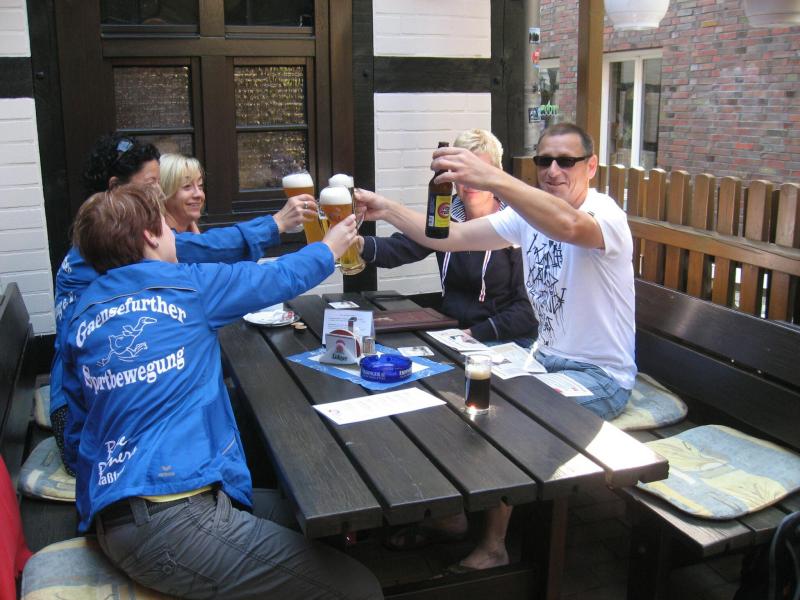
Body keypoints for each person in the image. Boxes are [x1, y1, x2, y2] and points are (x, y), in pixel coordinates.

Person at [62, 183, 381, 599]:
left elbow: (78, 427)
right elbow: (276, 277)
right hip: (171, 522)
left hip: (115, 513)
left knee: (320, 514)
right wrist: (330, 247)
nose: (175, 234)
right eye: (167, 226)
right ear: (150, 236)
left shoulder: (82, 313)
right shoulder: (186, 287)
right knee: (360, 589)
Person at [356, 122, 635, 572]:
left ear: (591, 166)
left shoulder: (605, 215)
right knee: (456, 397)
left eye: (566, 161)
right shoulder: (525, 220)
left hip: (599, 377)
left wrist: (493, 177)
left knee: (509, 417)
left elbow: (569, 225)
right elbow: (447, 236)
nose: (554, 170)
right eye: (544, 160)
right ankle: (451, 515)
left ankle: (494, 546)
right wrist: (386, 208)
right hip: (541, 360)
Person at [51, 134, 319, 475]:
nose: (159, 194)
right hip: (92, 426)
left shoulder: (93, 240)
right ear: (116, 188)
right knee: (260, 416)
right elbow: (206, 254)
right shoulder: (128, 243)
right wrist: (278, 225)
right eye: (152, 184)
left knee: (244, 407)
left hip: (91, 408)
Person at [358, 129, 536, 345]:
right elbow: (403, 247)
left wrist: (473, 334)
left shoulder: (515, 222)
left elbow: (527, 310)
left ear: (496, 174)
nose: (469, 182)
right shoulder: (446, 211)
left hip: (504, 339)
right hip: (453, 330)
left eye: (477, 173)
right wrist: (356, 243)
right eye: (461, 173)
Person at [159, 153, 205, 233]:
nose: (199, 194)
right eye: (187, 186)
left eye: (200, 185)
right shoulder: (159, 239)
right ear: (163, 192)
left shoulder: (190, 233)